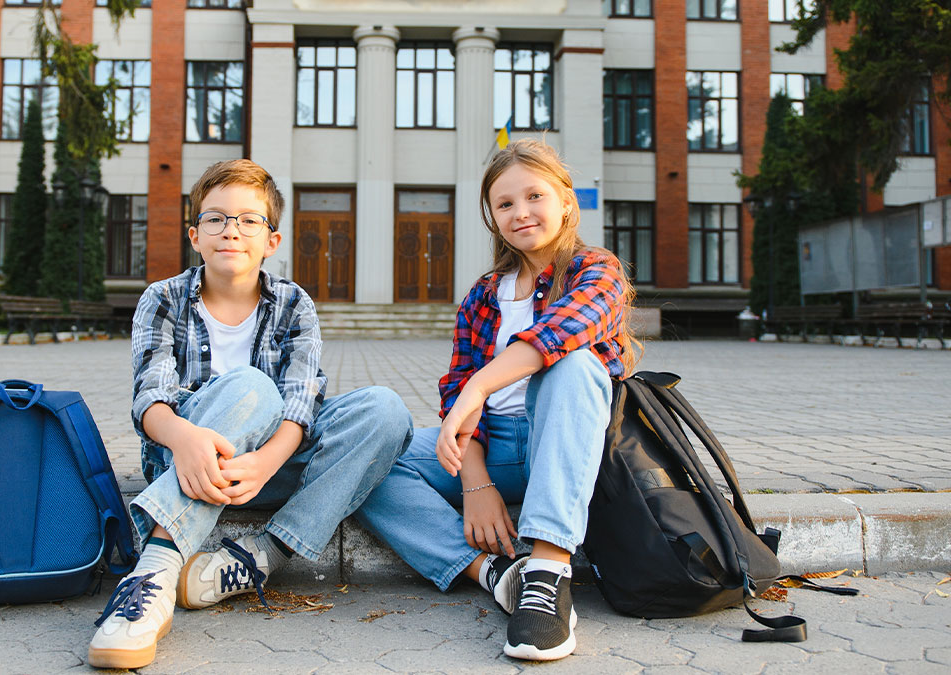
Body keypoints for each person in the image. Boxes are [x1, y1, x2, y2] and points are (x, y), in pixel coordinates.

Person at [88, 159, 413, 669]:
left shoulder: (293, 303)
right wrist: (183, 437)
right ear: (195, 235)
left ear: (272, 240)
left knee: (385, 410)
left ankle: (261, 556)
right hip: (185, 462)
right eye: (215, 219)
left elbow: (304, 398)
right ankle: (151, 576)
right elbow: (148, 398)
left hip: (265, 472)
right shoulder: (163, 298)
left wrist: (267, 461)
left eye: (248, 220)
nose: (230, 231)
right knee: (253, 387)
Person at [356, 139, 640, 662]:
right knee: (367, 459)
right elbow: (458, 385)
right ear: (492, 217)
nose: (521, 213)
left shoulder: (595, 270)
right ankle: (496, 572)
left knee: (574, 362)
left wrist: (479, 386)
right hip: (495, 450)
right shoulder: (485, 293)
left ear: (566, 203)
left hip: (564, 443)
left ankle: (549, 573)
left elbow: (559, 333)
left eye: (535, 196)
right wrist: (475, 481)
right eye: (505, 204)